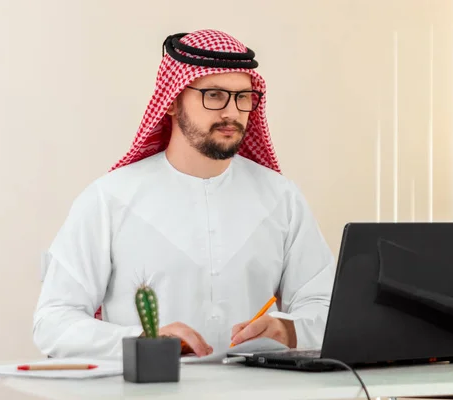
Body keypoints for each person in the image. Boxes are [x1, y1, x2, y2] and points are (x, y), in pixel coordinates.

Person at [32, 29, 335, 359]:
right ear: (173, 101)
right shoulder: (109, 199)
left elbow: (325, 306)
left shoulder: (281, 198)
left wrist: (290, 330)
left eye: (243, 97)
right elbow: (53, 323)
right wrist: (145, 342)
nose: (232, 112)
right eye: (215, 95)